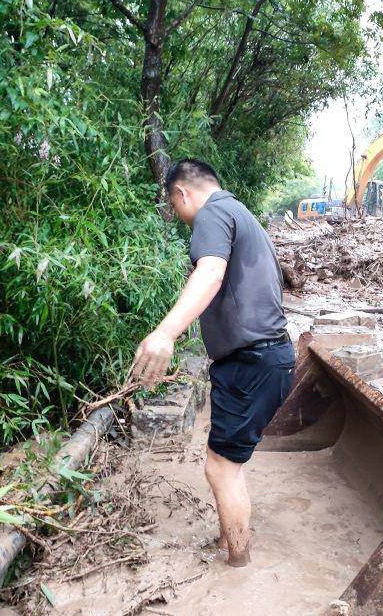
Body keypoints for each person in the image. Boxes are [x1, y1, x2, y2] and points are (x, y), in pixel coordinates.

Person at [131, 158, 294, 567]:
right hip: (264, 359)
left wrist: (166, 333)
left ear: (182, 192)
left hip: (252, 362)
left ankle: (238, 565)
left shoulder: (213, 212)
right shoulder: (242, 214)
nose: (179, 216)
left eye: (174, 205)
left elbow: (211, 273)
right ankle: (228, 542)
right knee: (224, 462)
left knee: (221, 469)